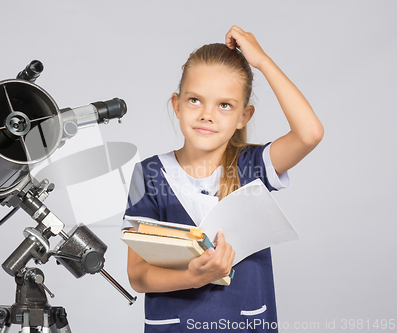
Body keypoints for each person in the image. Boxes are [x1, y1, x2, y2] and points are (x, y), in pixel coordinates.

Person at [122, 26, 324, 332]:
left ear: (244, 116)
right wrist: (193, 277)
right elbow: (138, 275)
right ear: (176, 105)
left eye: (225, 105)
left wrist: (263, 62)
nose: (207, 114)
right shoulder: (148, 174)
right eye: (194, 100)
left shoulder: (251, 166)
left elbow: (310, 134)